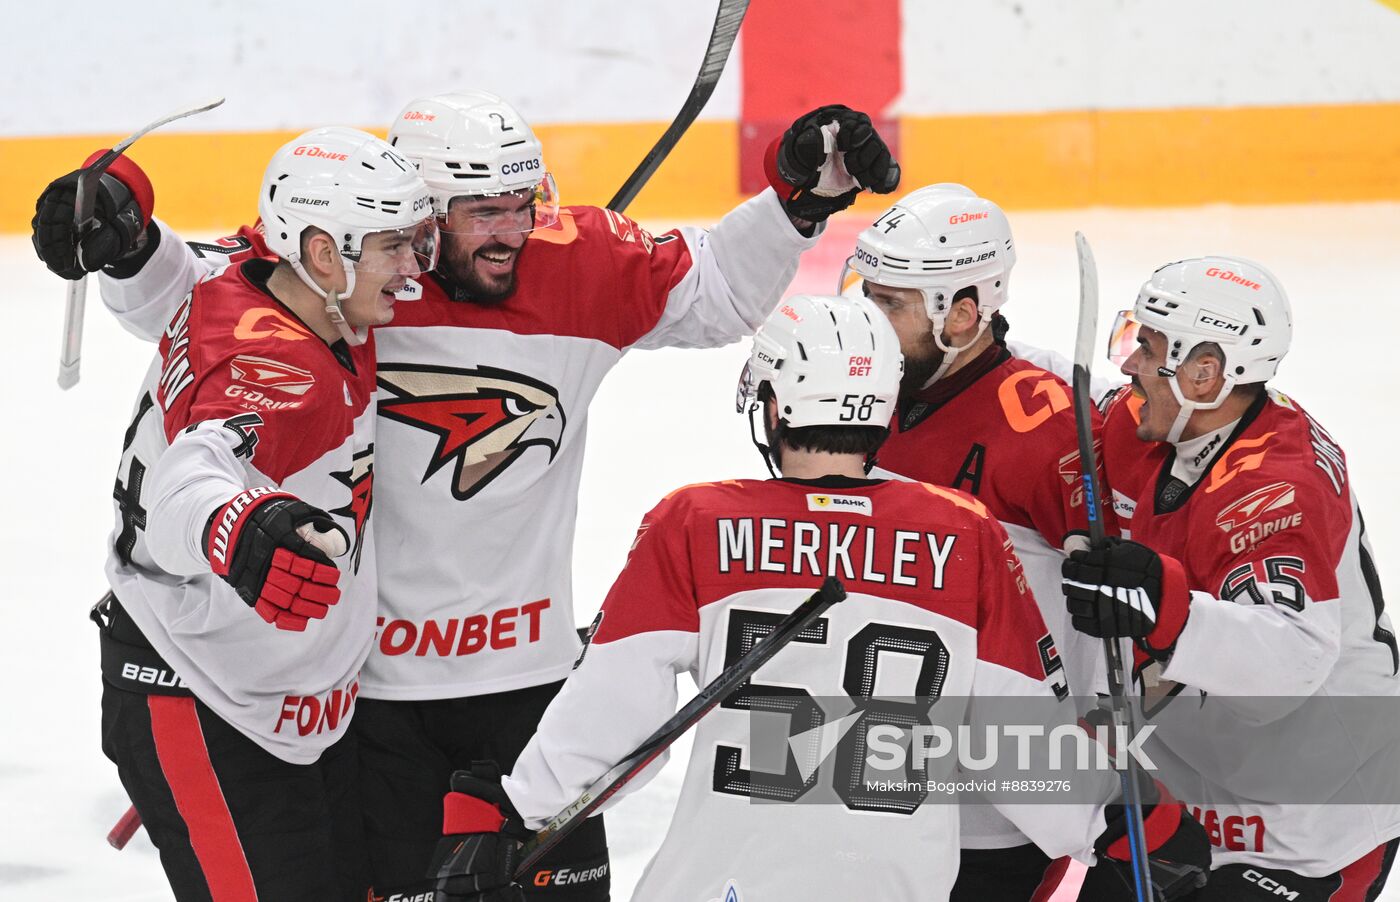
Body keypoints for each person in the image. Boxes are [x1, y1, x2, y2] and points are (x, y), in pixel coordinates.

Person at [31, 92, 900, 898]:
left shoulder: (576, 263)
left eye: (524, 201)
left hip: (527, 682)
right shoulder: (357, 282)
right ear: (415, 211)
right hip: (370, 699)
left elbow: (714, 291)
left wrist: (796, 204)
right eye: (482, 210)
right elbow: (204, 298)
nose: (514, 231)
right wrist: (133, 248)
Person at [423, 294, 1208, 902]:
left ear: (773, 404)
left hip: (727, 883)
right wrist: (1118, 815)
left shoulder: (696, 521)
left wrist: (515, 808)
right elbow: (1013, 734)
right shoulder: (963, 533)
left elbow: (617, 715)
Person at [83, 127, 436, 899]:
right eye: (393, 248)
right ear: (320, 255)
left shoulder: (255, 278)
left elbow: (188, 267)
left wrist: (133, 245)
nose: (413, 271)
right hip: (205, 698)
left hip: (274, 700)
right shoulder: (279, 372)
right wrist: (237, 525)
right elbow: (191, 478)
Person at [1063, 256, 1400, 900]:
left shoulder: (1275, 487)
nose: (1129, 365)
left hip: (1308, 826)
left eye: (1148, 346)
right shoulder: (1153, 429)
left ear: (1204, 371)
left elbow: (1289, 661)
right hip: (1189, 793)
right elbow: (1048, 402)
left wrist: (1161, 605)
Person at [841, 182, 1108, 899]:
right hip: (874, 766)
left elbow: (1126, 596)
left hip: (994, 805)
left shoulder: (1048, 423)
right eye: (867, 295)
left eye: (888, 304)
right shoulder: (859, 389)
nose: (865, 321)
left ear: (961, 315)